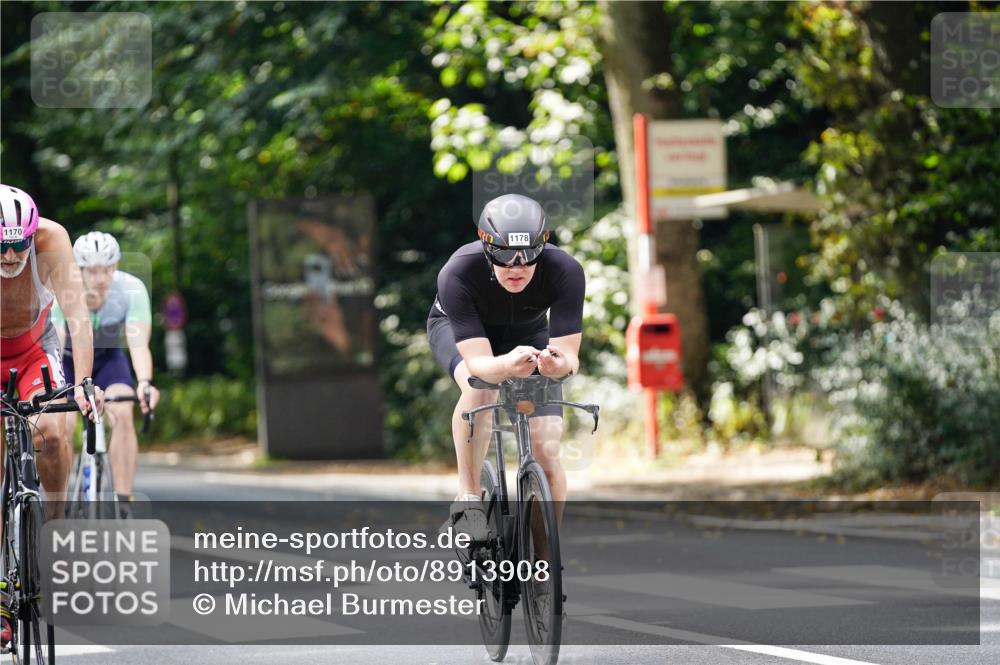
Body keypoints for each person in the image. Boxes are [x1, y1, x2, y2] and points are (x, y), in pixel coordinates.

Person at [428, 194, 585, 542]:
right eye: (503, 256)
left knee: (546, 451)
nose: (516, 267)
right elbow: (481, 365)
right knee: (480, 386)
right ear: (486, 247)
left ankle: (544, 570)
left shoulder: (566, 271)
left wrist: (555, 364)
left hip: (528, 332)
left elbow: (569, 359)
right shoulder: (458, 271)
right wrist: (505, 366)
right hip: (461, 333)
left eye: (529, 256)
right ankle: (468, 501)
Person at [0, 184, 102, 645]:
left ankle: (54, 530)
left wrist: (83, 384)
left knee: (54, 434)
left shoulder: (52, 239)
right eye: (1, 248)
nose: (11, 256)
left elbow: (77, 315)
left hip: (35, 348)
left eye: (19, 244)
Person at [52, 232, 160, 513]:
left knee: (123, 411)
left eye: (108, 269)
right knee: (61, 424)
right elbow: (58, 339)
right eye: (92, 270)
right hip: (67, 358)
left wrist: (145, 383)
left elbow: (138, 344)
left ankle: (124, 501)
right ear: (78, 270)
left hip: (109, 358)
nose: (101, 278)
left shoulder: (131, 289)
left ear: (116, 266)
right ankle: (57, 503)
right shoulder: (63, 289)